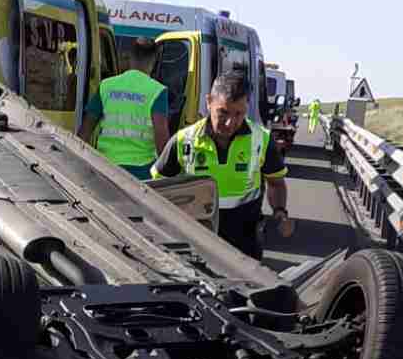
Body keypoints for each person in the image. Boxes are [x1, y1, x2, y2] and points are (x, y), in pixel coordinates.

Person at [151, 72, 293, 260]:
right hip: (195, 244)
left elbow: (275, 183)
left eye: (238, 114)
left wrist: (280, 212)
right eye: (223, 112)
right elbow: (157, 190)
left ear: (247, 108)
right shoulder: (183, 141)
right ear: (209, 102)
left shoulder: (262, 140)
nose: (230, 122)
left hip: (244, 246)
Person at [78, 36, 171, 180]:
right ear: (154, 60)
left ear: (130, 57)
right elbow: (161, 139)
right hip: (141, 172)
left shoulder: (106, 86)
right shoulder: (157, 91)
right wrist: (167, 173)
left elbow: (84, 132)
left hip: (106, 168)